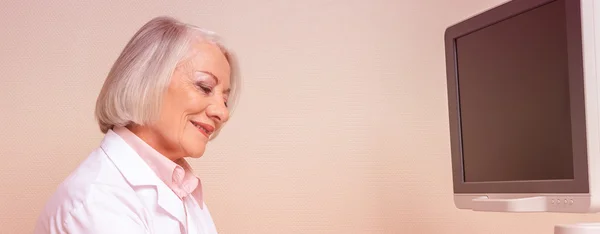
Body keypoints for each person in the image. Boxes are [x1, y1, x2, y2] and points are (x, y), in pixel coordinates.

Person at [33, 16, 239, 234]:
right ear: (149, 80)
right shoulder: (97, 203)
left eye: (225, 100)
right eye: (204, 87)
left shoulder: (182, 188)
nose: (223, 113)